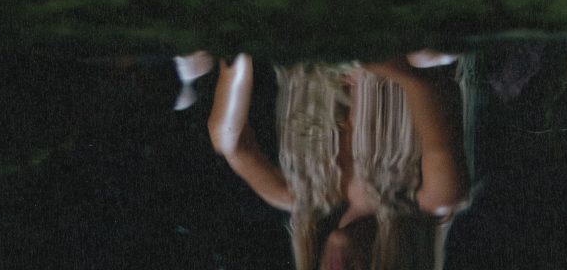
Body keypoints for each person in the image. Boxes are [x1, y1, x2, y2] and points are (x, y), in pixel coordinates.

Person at [191, 51, 472, 270]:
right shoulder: (436, 198)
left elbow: (231, 144)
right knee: (427, 56)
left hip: (321, 30)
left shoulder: (298, 196)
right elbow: (425, 88)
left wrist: (236, 59)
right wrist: (364, 57)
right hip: (396, 32)